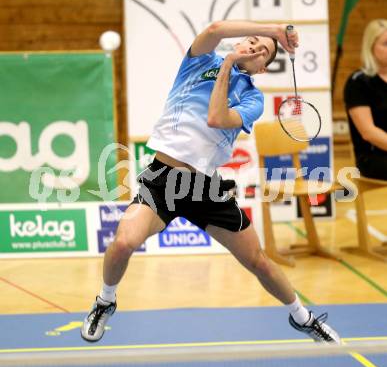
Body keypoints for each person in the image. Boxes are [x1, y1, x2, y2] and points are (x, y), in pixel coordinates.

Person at [81, 20, 340, 343]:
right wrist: (273, 31)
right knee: (122, 243)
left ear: (261, 70)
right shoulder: (200, 60)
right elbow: (216, 28)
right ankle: (105, 301)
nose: (255, 47)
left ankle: (304, 318)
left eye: (263, 52)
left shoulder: (252, 98)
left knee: (258, 261)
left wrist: (231, 64)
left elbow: (216, 118)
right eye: (252, 41)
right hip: (162, 180)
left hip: (206, 189)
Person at [344, 19, 387, 180]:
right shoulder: (359, 82)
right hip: (373, 157)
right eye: (386, 43)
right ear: (371, 47)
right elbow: (369, 133)